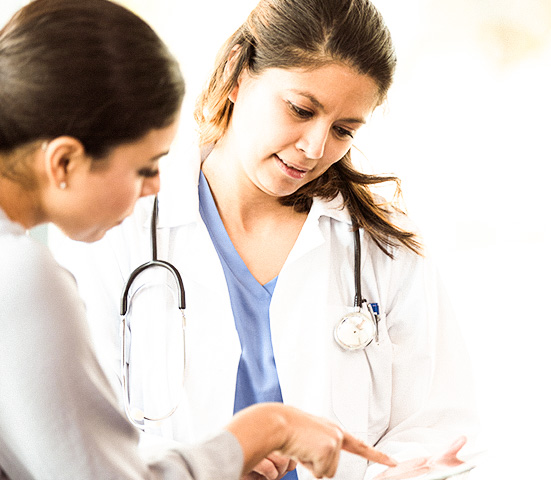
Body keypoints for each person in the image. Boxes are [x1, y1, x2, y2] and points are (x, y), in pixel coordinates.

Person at [0, 1, 396, 478]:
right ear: (64, 163)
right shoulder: (12, 274)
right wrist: (266, 428)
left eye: (343, 130)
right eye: (144, 167)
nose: (157, 187)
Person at [49, 0, 480, 479]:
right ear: (237, 72)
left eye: (342, 130)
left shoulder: (386, 250)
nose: (315, 148)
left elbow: (441, 427)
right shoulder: (119, 225)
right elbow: (77, 432)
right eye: (300, 109)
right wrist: (216, 463)